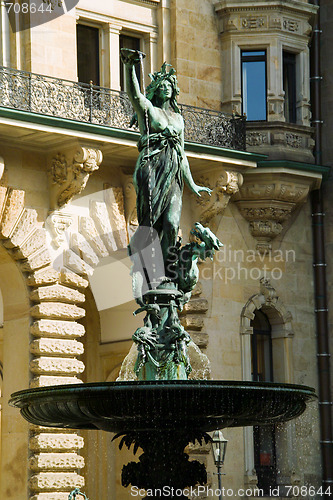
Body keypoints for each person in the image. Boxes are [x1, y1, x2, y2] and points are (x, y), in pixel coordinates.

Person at [120, 49, 211, 278]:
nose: (165, 87)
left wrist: (193, 185)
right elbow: (135, 95)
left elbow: (182, 154)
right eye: (161, 85)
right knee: (150, 222)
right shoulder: (149, 110)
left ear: (173, 92)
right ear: (156, 90)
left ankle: (165, 271)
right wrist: (130, 66)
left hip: (172, 170)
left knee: (171, 223)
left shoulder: (178, 119)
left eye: (169, 85)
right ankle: (147, 263)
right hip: (151, 165)